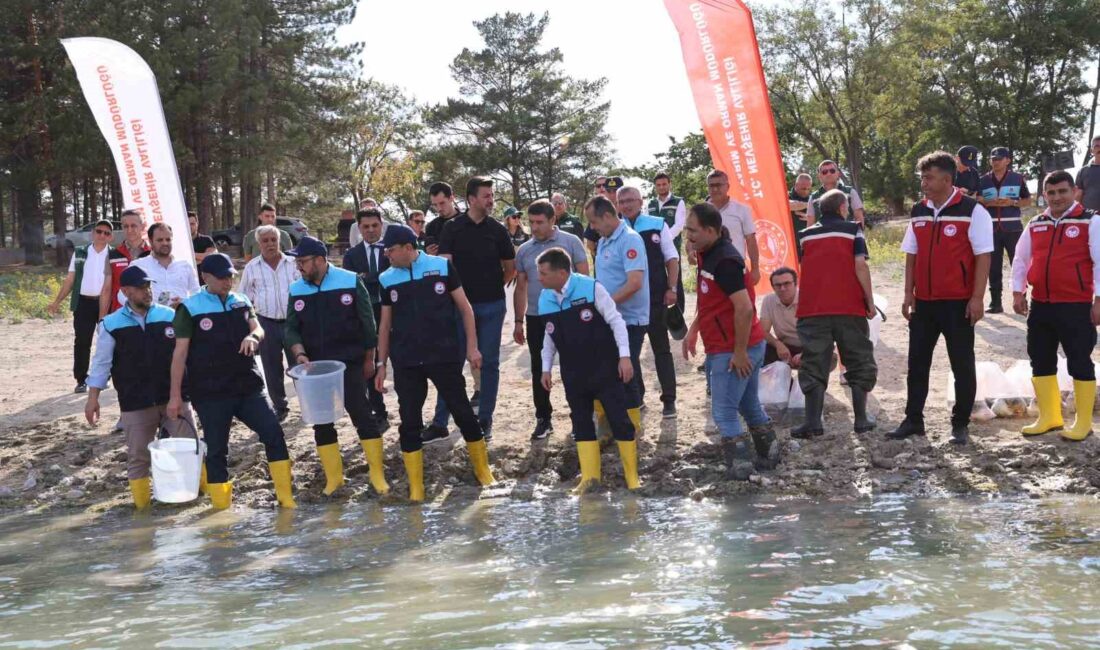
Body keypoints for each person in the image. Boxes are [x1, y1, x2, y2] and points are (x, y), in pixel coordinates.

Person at [374, 225, 495, 501]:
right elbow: (384, 326)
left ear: (407, 247)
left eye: (390, 250)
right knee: (409, 421)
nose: (387, 256)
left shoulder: (441, 266)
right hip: (406, 360)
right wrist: (381, 364)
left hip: (443, 354)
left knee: (463, 412)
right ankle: (416, 486)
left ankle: (483, 470)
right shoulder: (386, 278)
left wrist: (472, 348)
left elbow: (465, 308)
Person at [167, 253, 295, 509]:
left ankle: (286, 498)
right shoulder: (190, 309)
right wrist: (175, 397)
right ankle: (221, 512)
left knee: (273, 433)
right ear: (205, 277)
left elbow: (258, 328)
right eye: (222, 278)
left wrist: (254, 338)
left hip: (248, 386)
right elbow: (179, 354)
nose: (228, 282)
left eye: (230, 277)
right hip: (210, 392)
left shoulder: (241, 300)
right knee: (216, 449)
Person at [892, 151, 993, 445]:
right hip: (924, 303)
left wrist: (977, 298)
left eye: (929, 177)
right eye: (922, 177)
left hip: (958, 304)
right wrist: (908, 293)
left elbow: (983, 257)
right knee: (917, 364)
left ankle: (959, 424)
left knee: (962, 364)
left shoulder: (973, 211)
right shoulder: (918, 210)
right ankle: (913, 420)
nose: (923, 182)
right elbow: (911, 254)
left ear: (947, 179)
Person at [84, 266, 198, 509]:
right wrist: (92, 398)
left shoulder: (170, 316)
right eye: (140, 288)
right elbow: (101, 363)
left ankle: (202, 501)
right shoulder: (110, 324)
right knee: (138, 457)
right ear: (125, 291)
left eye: (149, 286)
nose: (147, 292)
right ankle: (143, 511)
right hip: (135, 402)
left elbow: (188, 355)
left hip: (174, 399)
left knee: (192, 449)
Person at [285, 236, 388, 496]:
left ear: (320, 260)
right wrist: (299, 355)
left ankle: (377, 474)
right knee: (321, 423)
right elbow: (291, 329)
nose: (299, 267)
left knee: (362, 415)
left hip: (349, 363)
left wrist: (369, 359)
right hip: (314, 368)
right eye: (297, 262)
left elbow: (368, 323)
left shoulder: (350, 280)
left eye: (303, 261)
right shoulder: (297, 289)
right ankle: (334, 478)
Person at [682, 203, 776, 480]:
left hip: (735, 348)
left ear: (711, 231)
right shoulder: (707, 252)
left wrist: (739, 353)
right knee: (748, 405)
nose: (688, 237)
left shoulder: (724, 261)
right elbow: (711, 299)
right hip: (736, 345)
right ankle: (769, 453)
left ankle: (741, 469)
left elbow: (745, 308)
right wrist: (694, 329)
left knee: (723, 412)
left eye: (692, 231)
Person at [537, 248, 638, 492]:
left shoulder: (592, 288)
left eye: (543, 273)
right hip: (573, 372)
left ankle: (633, 477)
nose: (539, 278)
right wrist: (546, 368)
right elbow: (548, 337)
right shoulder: (544, 297)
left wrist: (625, 357)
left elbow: (616, 321)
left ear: (562, 272)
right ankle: (590, 479)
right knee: (580, 422)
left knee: (619, 419)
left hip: (604, 367)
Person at [1011, 170, 1100, 442]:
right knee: (1040, 359)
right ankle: (1050, 417)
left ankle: (1083, 422)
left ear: (1074, 192)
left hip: (1077, 305)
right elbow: (1020, 259)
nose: (1057, 197)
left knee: (1079, 361)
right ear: (1044, 195)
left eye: (1062, 191)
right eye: (1051, 192)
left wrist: (1099, 301)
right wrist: (1018, 292)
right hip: (1042, 305)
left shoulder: (1091, 221)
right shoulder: (1036, 223)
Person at [791, 189, 878, 438]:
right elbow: (860, 265)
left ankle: (813, 423)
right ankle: (861, 419)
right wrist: (869, 301)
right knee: (858, 359)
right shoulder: (853, 230)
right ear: (843, 208)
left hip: (813, 308)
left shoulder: (805, 235)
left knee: (813, 362)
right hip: (848, 306)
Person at [436, 176, 517, 440]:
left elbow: (510, 268)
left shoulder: (497, 230)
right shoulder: (452, 228)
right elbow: (445, 269)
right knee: (452, 362)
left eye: (492, 195)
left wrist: (492, 287)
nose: (491, 199)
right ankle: (440, 421)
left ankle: (485, 419)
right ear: (471, 199)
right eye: (486, 195)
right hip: (459, 309)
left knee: (490, 363)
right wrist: (460, 298)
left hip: (492, 306)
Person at [513, 199, 590, 440]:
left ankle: (580, 418)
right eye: (531, 222)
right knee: (539, 368)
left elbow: (584, 276)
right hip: (537, 317)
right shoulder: (525, 250)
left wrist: (584, 312)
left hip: (569, 315)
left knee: (575, 366)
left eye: (539, 222)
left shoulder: (571, 242)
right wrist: (518, 321)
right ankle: (543, 418)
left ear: (552, 220)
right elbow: (521, 286)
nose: (534, 227)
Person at [585, 195, 647, 436]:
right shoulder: (604, 241)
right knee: (605, 372)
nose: (592, 227)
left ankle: (633, 430)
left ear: (608, 216)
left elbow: (634, 283)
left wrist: (605, 306)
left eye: (594, 221)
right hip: (608, 319)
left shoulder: (630, 240)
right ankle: (610, 425)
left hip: (629, 319)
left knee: (626, 372)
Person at [619, 185, 680, 418]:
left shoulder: (657, 223)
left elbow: (672, 259)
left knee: (661, 349)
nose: (626, 205)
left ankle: (669, 400)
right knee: (631, 353)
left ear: (640, 200)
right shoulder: (616, 228)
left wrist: (672, 288)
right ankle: (638, 397)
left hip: (655, 298)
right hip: (627, 301)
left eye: (630, 200)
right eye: (621, 201)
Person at [237, 224, 299, 421]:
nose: (270, 244)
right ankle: (280, 406)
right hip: (266, 322)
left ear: (279, 241)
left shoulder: (293, 263)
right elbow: (244, 298)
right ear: (258, 243)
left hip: (293, 323)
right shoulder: (251, 267)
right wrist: (247, 326)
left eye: (274, 240)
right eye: (266, 241)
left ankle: (307, 401)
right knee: (272, 367)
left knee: (299, 363)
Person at [48, 219, 114, 393]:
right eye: (99, 231)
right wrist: (57, 302)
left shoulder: (114, 255)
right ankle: (81, 379)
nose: (102, 235)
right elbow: (70, 279)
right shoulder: (80, 253)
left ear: (111, 237)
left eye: (106, 233)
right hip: (83, 303)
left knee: (106, 341)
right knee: (82, 342)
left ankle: (103, 377)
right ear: (93, 233)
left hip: (106, 303)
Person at [342, 208, 390, 421]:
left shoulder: (392, 250)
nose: (370, 230)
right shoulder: (352, 255)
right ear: (359, 229)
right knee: (370, 361)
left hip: (393, 314)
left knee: (399, 360)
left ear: (381, 225)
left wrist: (368, 277)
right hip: (366, 315)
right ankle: (379, 411)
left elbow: (391, 278)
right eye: (366, 227)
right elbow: (352, 286)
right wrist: (377, 277)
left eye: (374, 226)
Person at [978, 147, 1031, 313]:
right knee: (993, 266)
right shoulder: (983, 179)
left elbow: (1027, 200)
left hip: (1013, 228)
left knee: (1019, 264)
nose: (995, 161)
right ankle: (995, 303)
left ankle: (1023, 300)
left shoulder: (1017, 178)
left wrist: (1012, 203)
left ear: (1008, 160)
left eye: (999, 159)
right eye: (993, 158)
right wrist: (986, 201)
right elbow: (977, 198)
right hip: (991, 228)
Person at [704, 170, 761, 286]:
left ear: (727, 186)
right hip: (708, 269)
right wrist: (690, 253)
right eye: (711, 185)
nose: (715, 189)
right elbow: (692, 237)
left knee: (742, 303)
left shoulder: (742, 210)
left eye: (719, 185)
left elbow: (751, 240)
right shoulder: (701, 211)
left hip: (735, 266)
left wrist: (755, 269)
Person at [125, 223, 199, 308]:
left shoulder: (185, 266)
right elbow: (122, 295)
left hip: (181, 318)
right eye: (160, 240)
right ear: (150, 241)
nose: (165, 243)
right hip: (151, 319)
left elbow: (197, 294)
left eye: (168, 239)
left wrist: (184, 303)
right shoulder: (138, 266)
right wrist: (148, 306)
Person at [648, 171, 688, 310]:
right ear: (655, 187)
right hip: (654, 250)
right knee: (659, 279)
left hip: (672, 248)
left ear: (669, 184)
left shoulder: (678, 202)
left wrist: (664, 239)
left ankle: (679, 311)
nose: (662, 187)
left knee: (675, 280)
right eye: (658, 185)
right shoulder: (651, 204)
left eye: (664, 184)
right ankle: (662, 310)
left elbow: (679, 225)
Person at [106, 209, 150, 313]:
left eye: (133, 225)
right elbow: (106, 290)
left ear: (143, 227)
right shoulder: (113, 255)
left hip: (148, 314)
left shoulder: (153, 254)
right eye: (125, 226)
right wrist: (102, 319)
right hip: (120, 314)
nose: (129, 230)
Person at [760, 267, 803, 367]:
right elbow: (763, 331)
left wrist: (807, 352)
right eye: (778, 285)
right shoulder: (769, 300)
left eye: (787, 283)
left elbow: (820, 333)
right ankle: (781, 382)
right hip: (785, 346)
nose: (782, 288)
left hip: (809, 346)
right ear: (773, 287)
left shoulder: (806, 298)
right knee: (759, 348)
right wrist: (777, 344)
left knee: (822, 355)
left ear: (795, 283)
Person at [807, 160, 865, 226]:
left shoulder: (850, 192)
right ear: (819, 176)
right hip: (823, 235)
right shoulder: (813, 197)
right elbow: (810, 224)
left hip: (846, 235)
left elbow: (859, 218)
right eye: (824, 172)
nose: (829, 174)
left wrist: (859, 235)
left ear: (838, 173)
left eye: (832, 171)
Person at [584, 176, 622, 259]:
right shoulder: (597, 213)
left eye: (615, 190)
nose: (612, 194)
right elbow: (590, 243)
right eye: (609, 191)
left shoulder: (627, 211)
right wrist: (603, 257)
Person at [426, 182, 460, 255]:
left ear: (451, 198)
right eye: (435, 205)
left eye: (442, 203)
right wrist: (429, 254)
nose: (439, 209)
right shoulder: (431, 227)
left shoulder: (468, 220)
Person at [1074, 135, 1100, 211]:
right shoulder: (1083, 171)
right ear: (1091, 150)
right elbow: (1078, 195)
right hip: (1090, 217)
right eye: (1096, 146)